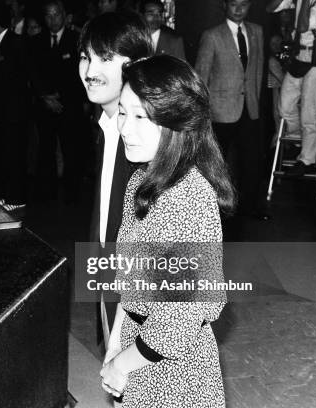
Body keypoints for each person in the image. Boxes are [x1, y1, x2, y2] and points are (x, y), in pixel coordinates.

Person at [100, 54, 234, 407]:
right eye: (124, 113)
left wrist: (123, 363)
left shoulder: (188, 198)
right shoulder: (142, 181)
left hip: (175, 369)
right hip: (138, 346)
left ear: (178, 123)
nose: (125, 127)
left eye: (141, 116)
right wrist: (116, 341)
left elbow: (179, 320)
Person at [78, 10, 153, 347]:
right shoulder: (108, 126)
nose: (90, 71)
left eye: (105, 58)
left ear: (136, 63)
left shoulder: (145, 142)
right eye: (85, 57)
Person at [195, 0, 267, 220]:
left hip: (249, 108)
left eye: (244, 4)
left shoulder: (257, 31)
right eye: (234, 4)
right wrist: (202, 113)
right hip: (219, 110)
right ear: (224, 6)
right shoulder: (212, 35)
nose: (238, 9)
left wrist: (256, 102)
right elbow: (201, 75)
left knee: (251, 161)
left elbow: (257, 70)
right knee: (217, 162)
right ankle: (211, 210)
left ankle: (249, 208)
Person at [30, 0, 87, 202]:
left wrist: (62, 98)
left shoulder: (76, 39)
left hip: (69, 105)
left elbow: (80, 75)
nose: (52, 19)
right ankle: (48, 194)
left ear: (64, 15)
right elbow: (32, 72)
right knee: (45, 149)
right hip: (45, 105)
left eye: (56, 14)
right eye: (48, 15)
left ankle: (72, 195)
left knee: (71, 149)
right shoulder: (36, 41)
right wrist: (45, 96)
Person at [267, 0, 316, 176]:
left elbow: (301, 27)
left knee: (309, 111)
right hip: (299, 57)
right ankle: (299, 139)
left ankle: (307, 160)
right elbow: (270, 8)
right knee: (284, 106)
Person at [0, 4, 29, 211]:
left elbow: (19, 79)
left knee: (14, 155)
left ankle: (16, 198)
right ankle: (6, 194)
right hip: (3, 112)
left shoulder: (15, 43)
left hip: (14, 111)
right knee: (4, 153)